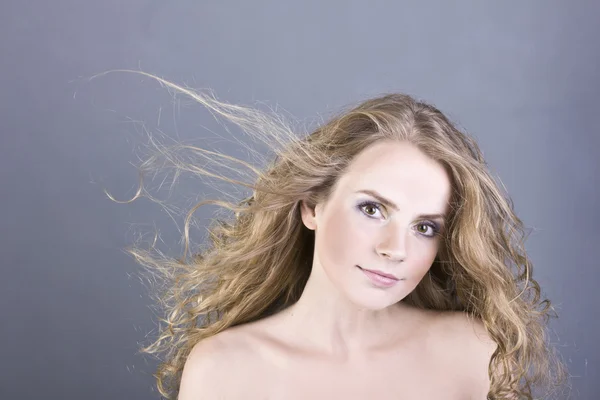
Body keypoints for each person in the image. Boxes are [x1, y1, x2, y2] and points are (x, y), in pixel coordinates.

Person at [107, 71, 567, 399]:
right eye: (372, 208)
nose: (395, 249)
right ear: (311, 205)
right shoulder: (225, 370)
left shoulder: (474, 352)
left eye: (424, 227)